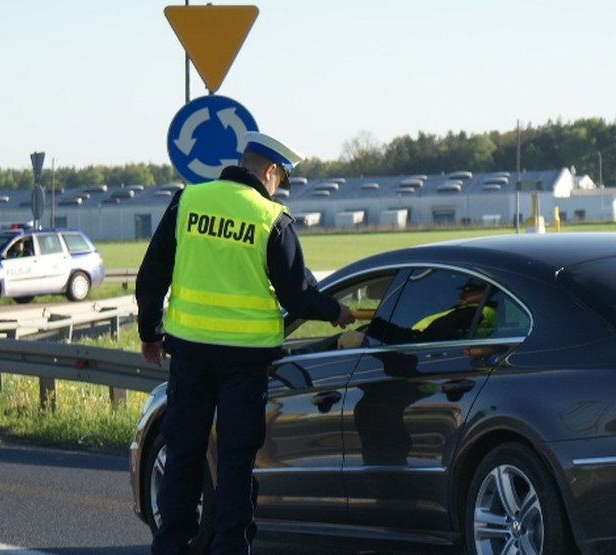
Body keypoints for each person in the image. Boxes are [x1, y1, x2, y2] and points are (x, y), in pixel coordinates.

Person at [135, 131, 355, 555]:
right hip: (244, 364)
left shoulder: (188, 202)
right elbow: (298, 295)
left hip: (190, 355)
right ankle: (229, 548)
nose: (277, 189)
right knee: (236, 460)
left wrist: (150, 333)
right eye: (280, 180)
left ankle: (170, 546)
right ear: (270, 172)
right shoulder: (271, 219)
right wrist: (336, 312)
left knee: (184, 454)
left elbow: (152, 276)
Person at [338, 280, 497, 348]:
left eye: (468, 290)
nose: (460, 295)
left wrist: (364, 340)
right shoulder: (478, 312)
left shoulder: (468, 314)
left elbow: (421, 340)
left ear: (484, 291)